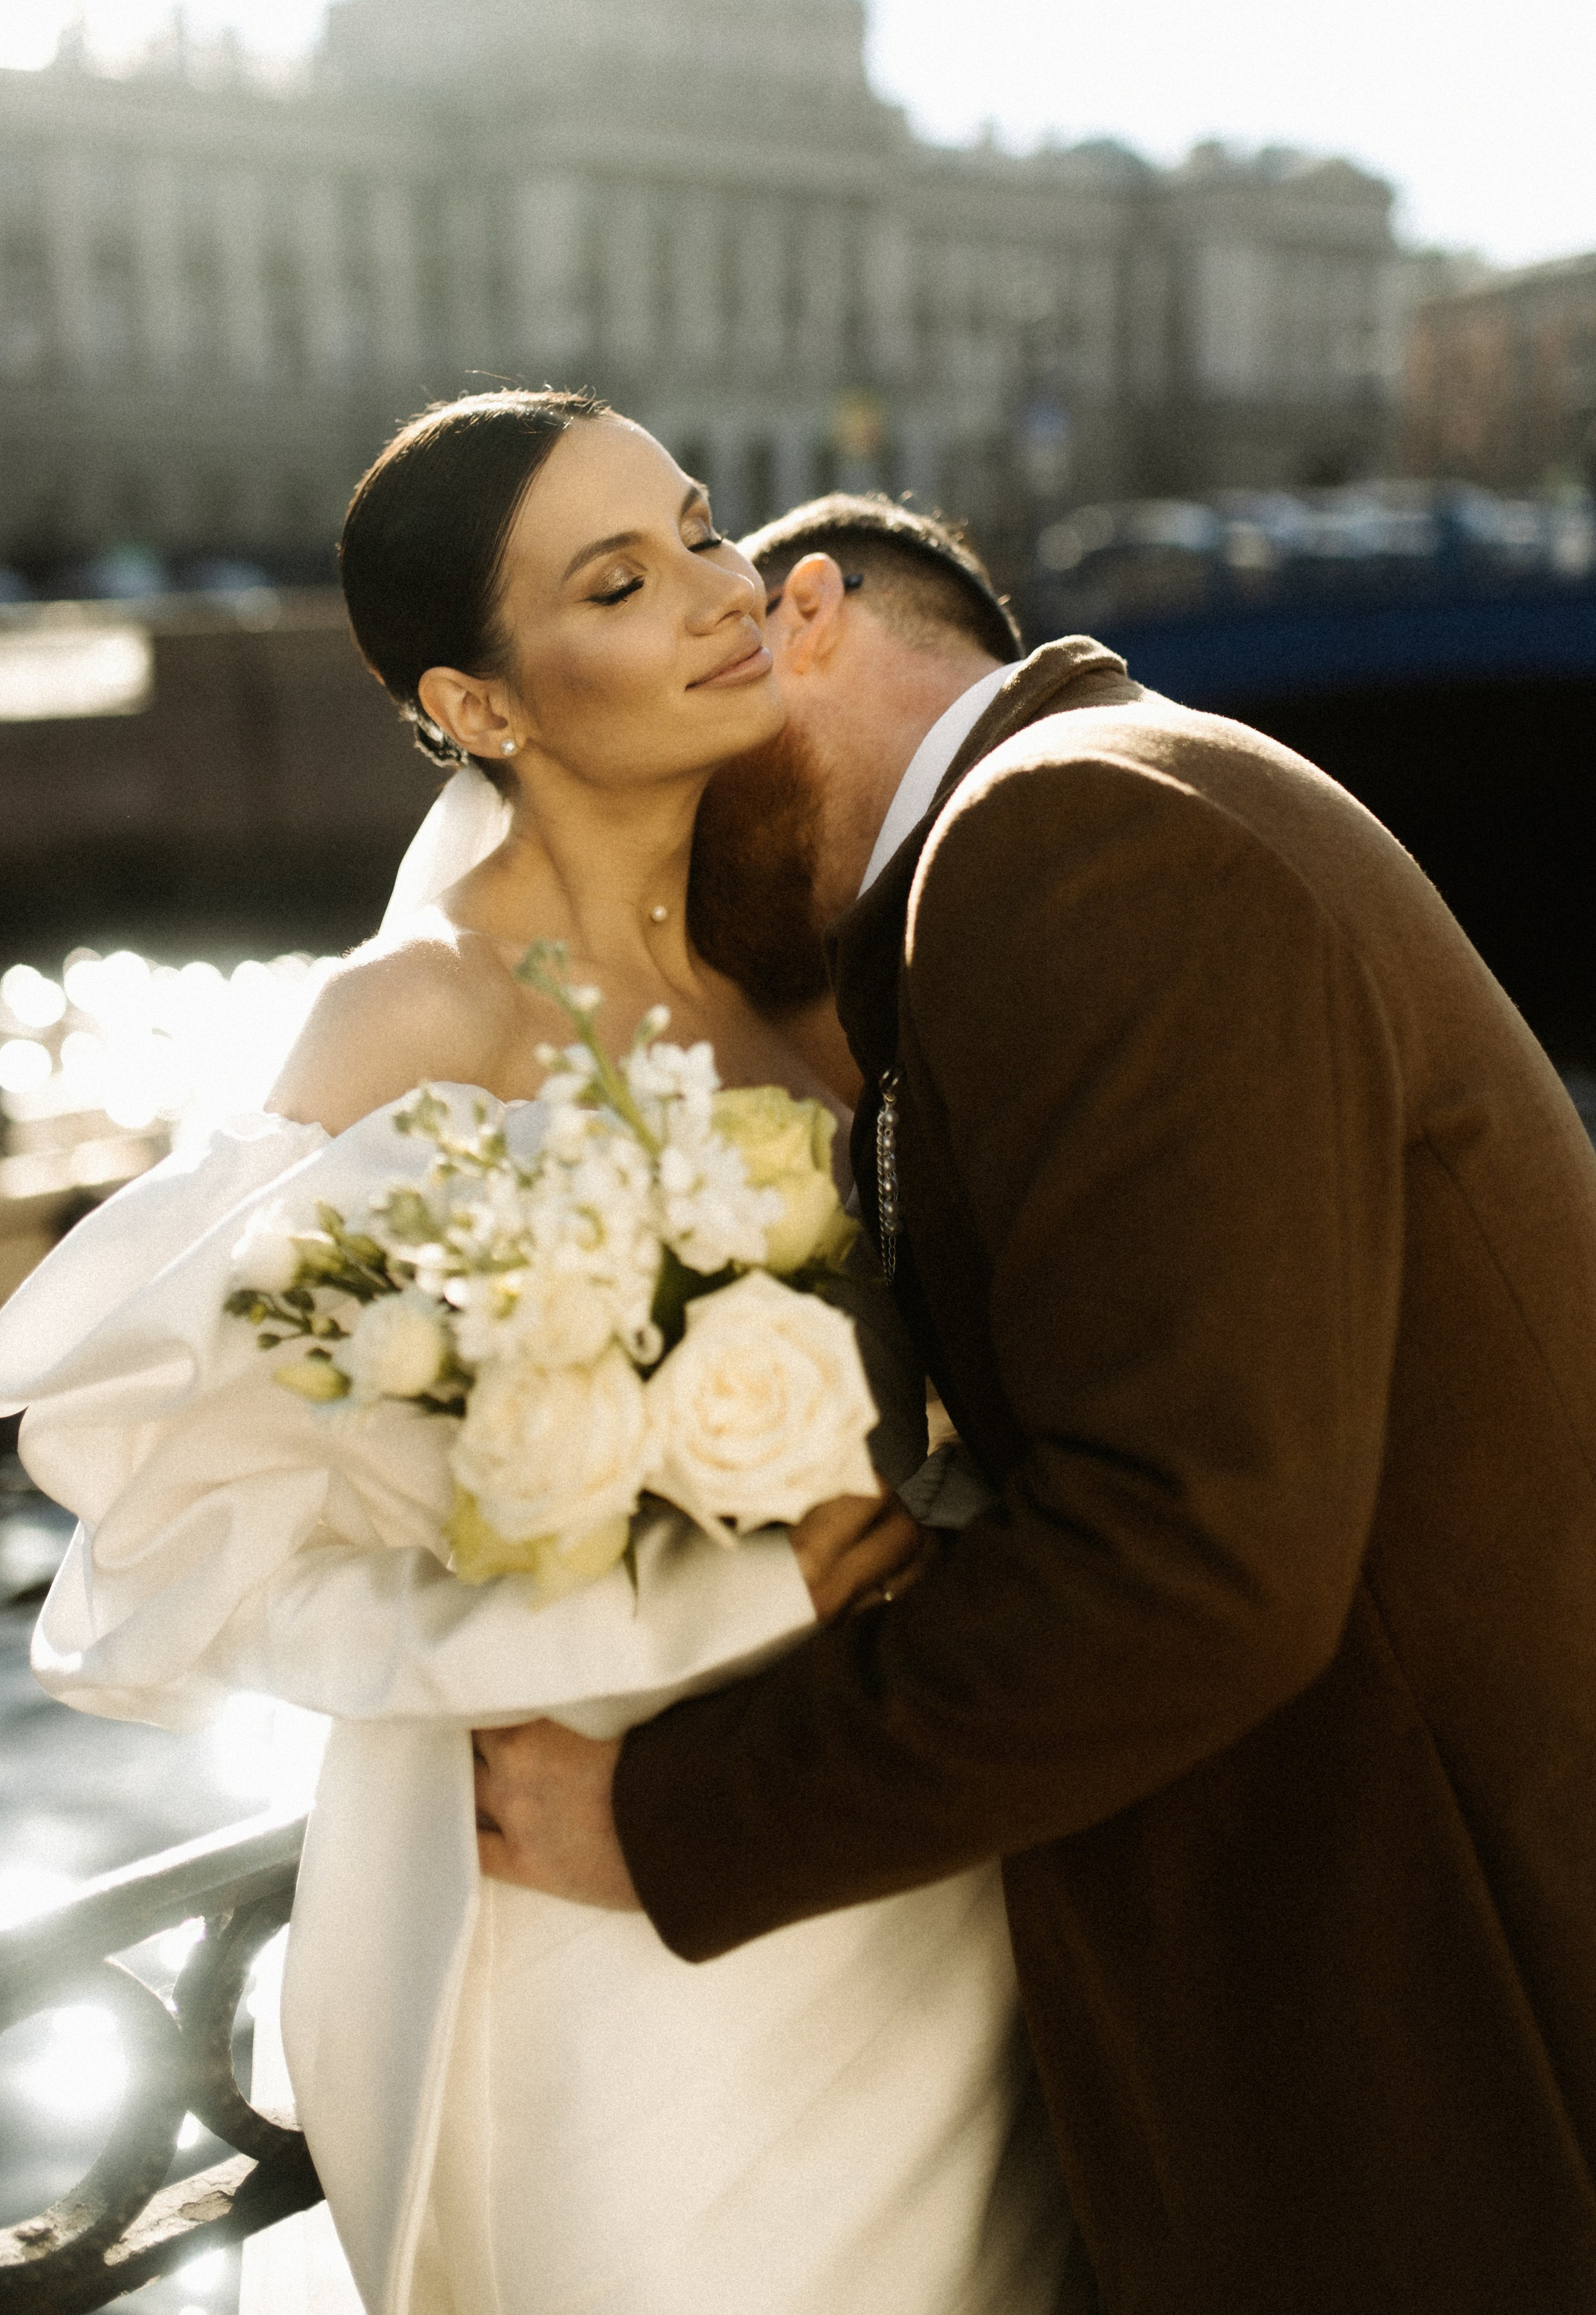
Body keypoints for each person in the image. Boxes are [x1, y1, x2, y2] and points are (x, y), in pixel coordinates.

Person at [0, 397, 1088, 2315]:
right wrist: (673, 1594)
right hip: (614, 1923)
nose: (724, 593)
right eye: (619, 584)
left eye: (702, 529)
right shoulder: (411, 1017)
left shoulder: (818, 973)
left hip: (898, 1867)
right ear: (477, 705)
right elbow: (187, 1509)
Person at [475, 491, 1596, 2314]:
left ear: (803, 617)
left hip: (1462, 2069)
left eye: (671, 770)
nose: (648, 837)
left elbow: (1196, 1559)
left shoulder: (1070, 829)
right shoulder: (1092, 817)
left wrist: (665, 1819)